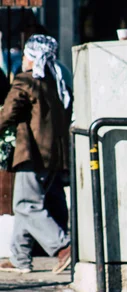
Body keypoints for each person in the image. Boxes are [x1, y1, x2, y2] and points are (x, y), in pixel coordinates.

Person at [0, 35, 72, 274]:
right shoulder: (56, 81)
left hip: (31, 153)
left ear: (32, 58)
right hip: (53, 155)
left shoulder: (26, 81)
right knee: (26, 203)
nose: (22, 59)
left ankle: (63, 248)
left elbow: (8, 112)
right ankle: (20, 258)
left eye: (25, 55)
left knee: (26, 204)